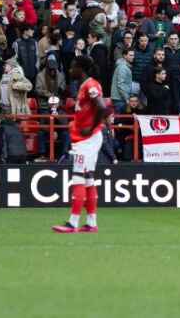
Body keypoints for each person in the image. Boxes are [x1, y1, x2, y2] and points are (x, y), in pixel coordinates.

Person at [53, 56, 110, 234]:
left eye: (72, 67)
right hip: (87, 138)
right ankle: (92, 223)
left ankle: (72, 223)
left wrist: (90, 128)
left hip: (87, 139)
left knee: (78, 177)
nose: (70, 71)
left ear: (80, 68)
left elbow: (102, 107)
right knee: (88, 179)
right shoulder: (85, 85)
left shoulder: (90, 85)